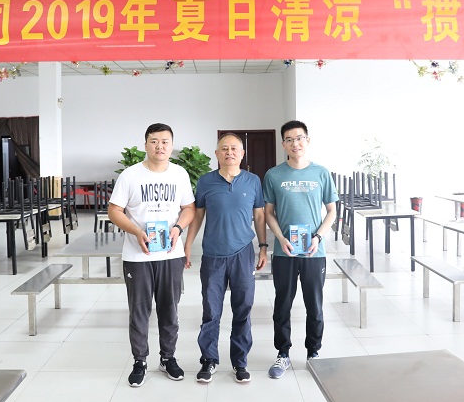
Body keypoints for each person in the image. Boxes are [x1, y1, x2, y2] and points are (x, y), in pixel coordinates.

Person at [108, 123, 196, 387]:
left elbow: (189, 208)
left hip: (170, 254)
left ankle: (168, 358)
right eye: (154, 141)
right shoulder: (130, 175)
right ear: (145, 144)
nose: (160, 146)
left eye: (165, 141)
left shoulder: (179, 174)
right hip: (138, 256)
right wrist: (136, 231)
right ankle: (140, 361)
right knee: (139, 310)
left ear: (172, 145)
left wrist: (178, 228)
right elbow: (114, 211)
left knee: (169, 309)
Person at [184, 133, 268, 384]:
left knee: (243, 309)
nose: (229, 152)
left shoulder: (253, 181)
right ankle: (209, 360)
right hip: (213, 255)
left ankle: (240, 362)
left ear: (242, 153)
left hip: (243, 253)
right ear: (216, 153)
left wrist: (263, 247)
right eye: (224, 148)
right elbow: (198, 215)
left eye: (234, 148)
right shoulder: (206, 181)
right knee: (211, 311)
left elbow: (260, 216)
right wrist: (187, 244)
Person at [262, 120, 338, 379]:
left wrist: (318, 236)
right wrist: (280, 238)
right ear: (283, 144)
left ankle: (313, 353)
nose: (295, 143)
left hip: (314, 252)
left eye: (299, 138)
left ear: (307, 140)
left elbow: (331, 211)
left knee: (314, 305)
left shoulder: (321, 173)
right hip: (285, 252)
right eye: (289, 139)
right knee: (282, 304)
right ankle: (282, 353)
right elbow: (269, 213)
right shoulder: (274, 175)